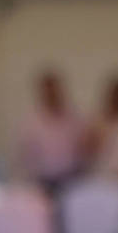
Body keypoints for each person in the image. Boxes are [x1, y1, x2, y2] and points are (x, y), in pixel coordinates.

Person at [17, 69, 88, 197]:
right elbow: (26, 158)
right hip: (41, 183)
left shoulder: (75, 120)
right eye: (47, 90)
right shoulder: (31, 123)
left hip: (70, 181)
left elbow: (84, 152)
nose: (51, 94)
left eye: (54, 89)